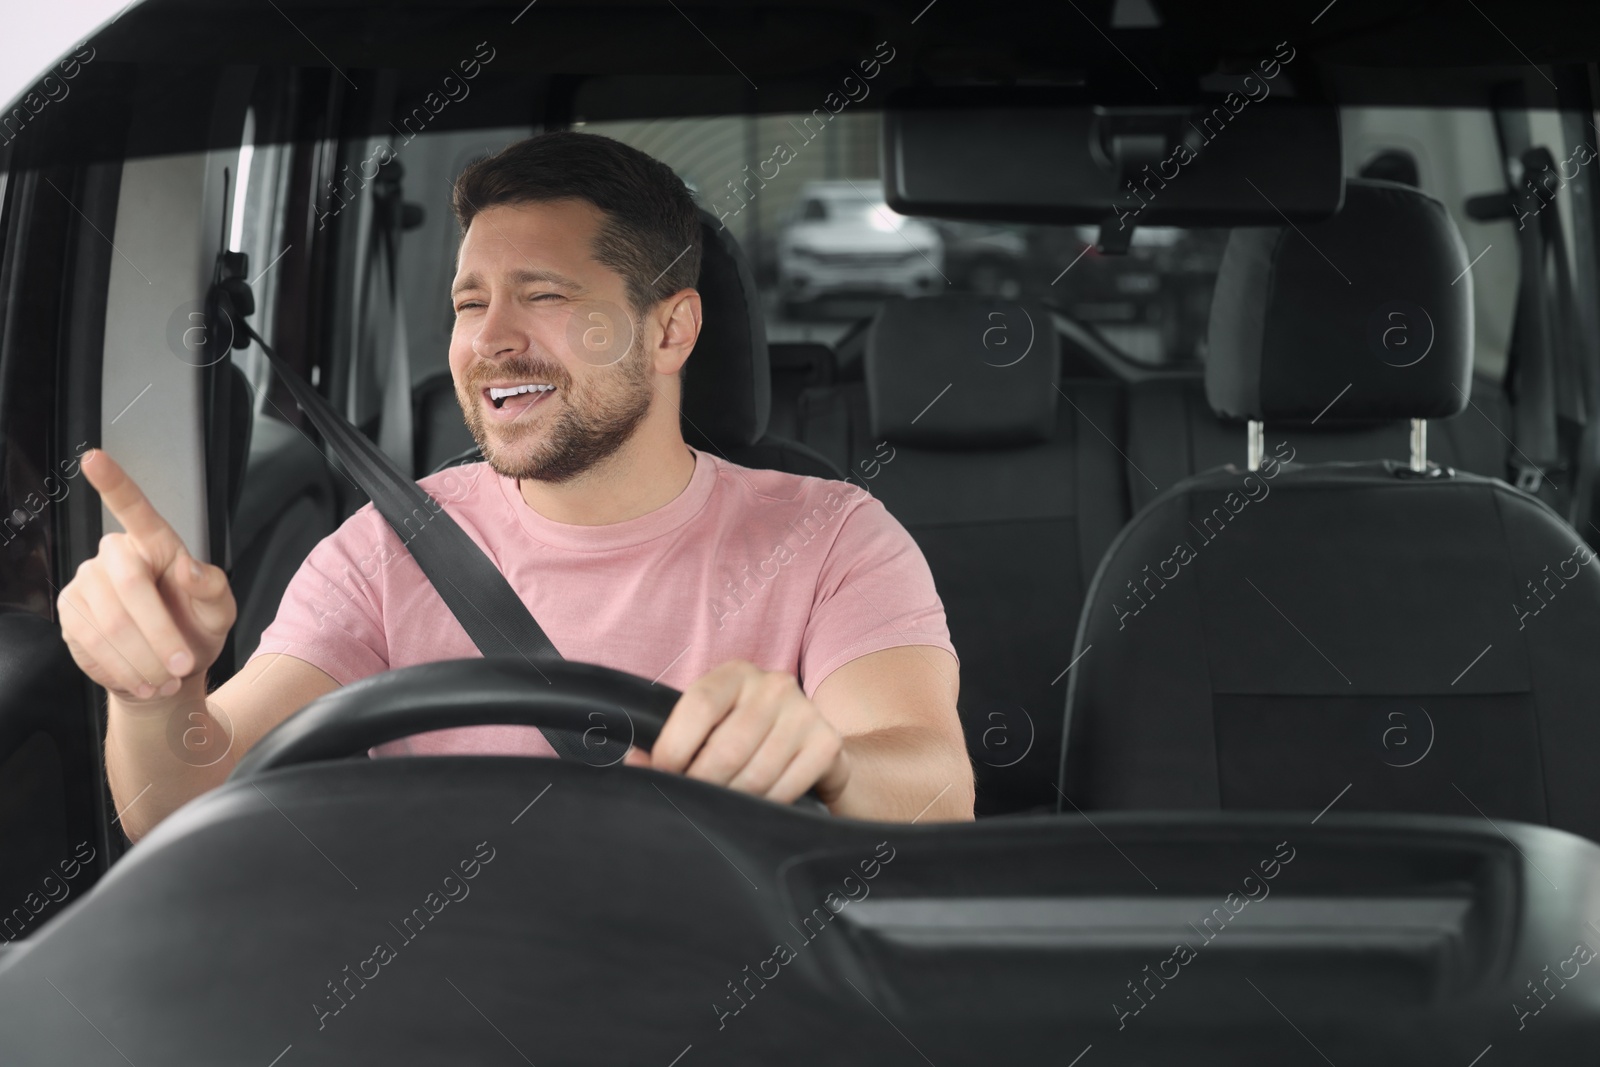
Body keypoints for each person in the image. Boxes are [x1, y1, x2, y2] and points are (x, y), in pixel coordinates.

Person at [59, 131, 973, 841]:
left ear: (670, 332)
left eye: (543, 295)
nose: (489, 338)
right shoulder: (385, 551)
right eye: (468, 302)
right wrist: (155, 698)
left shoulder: (832, 536)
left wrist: (833, 766)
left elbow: (933, 788)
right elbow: (180, 805)